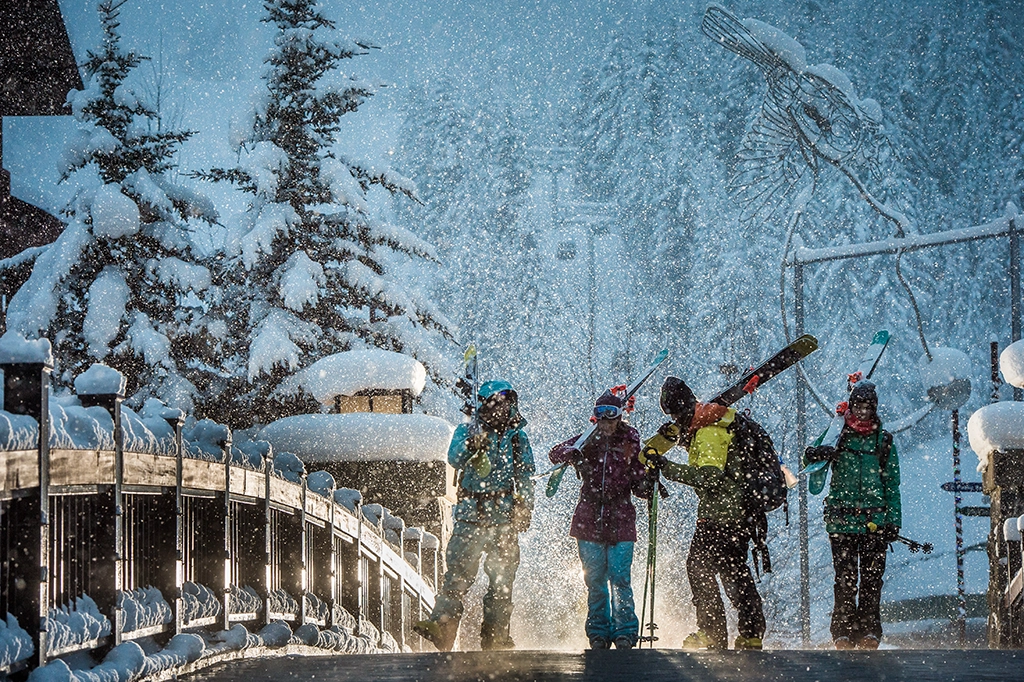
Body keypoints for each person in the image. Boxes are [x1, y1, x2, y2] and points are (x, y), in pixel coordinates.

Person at [641, 376, 767, 651]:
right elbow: (713, 460)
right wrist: (683, 439)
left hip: (721, 514)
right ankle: (751, 632)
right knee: (733, 570)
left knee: (699, 568)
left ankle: (712, 632)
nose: (675, 418)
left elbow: (710, 476)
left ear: (686, 408)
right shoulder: (710, 425)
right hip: (736, 513)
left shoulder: (709, 430)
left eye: (676, 413)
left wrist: (667, 467)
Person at [413, 379, 535, 651]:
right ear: (483, 405)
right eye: (494, 403)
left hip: (503, 519)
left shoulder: (517, 438)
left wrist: (525, 506)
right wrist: (471, 445)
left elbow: (525, 475)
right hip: (470, 517)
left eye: (504, 403)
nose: (500, 409)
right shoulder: (466, 431)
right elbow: (454, 458)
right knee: (456, 577)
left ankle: (496, 637)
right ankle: (442, 629)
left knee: (502, 582)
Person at [548, 390, 654, 650]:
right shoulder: (587, 439)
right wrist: (571, 453)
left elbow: (638, 477)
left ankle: (625, 632)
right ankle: (598, 631)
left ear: (619, 417)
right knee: (595, 580)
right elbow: (555, 453)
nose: (606, 422)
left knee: (620, 578)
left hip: (621, 517)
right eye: (600, 416)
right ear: (594, 417)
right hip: (589, 518)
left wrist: (649, 480)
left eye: (611, 416)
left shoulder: (630, 439)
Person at [803, 381, 901, 650]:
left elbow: (892, 484)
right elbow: (811, 458)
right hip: (841, 521)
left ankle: (870, 631)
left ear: (875, 409)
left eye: (867, 408)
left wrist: (893, 521)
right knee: (845, 579)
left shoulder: (884, 441)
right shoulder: (837, 434)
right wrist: (815, 453)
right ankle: (843, 632)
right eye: (857, 407)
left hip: (875, 523)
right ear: (851, 407)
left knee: (871, 580)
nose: (862, 413)